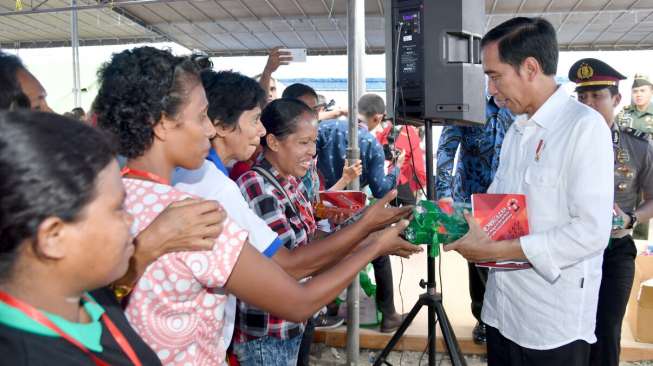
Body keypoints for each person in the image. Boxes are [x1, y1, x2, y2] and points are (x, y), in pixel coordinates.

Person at [95, 46, 421, 366]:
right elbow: (297, 300)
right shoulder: (194, 215)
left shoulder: (105, 198)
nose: (209, 130)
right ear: (162, 122)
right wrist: (374, 244)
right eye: (200, 117)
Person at [445, 17, 613, 366]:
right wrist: (453, 223)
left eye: (494, 76)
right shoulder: (517, 132)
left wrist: (493, 249)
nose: (491, 89)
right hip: (503, 310)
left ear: (530, 68)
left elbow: (591, 232)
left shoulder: (583, 128)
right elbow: (499, 209)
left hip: (549, 323)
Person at [0, 111, 162, 364]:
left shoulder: (91, 294)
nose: (130, 220)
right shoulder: (27, 356)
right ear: (53, 237)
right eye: (118, 208)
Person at [568, 58, 653, 366]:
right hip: (571, 253)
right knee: (570, 332)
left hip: (614, 251)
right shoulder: (562, 144)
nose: (588, 104)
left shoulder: (638, 146)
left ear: (616, 99)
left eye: (597, 96)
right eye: (582, 97)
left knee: (606, 332)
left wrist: (632, 218)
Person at [316, 93, 407, 333]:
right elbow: (381, 188)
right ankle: (389, 315)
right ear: (377, 117)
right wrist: (396, 169)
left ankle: (327, 307)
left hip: (321, 207)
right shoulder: (370, 143)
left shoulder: (325, 129)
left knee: (322, 255)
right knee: (379, 254)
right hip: (353, 212)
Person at [435, 95, 515, 344]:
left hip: (510, 200)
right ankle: (482, 318)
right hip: (472, 198)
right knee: (479, 260)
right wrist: (444, 195)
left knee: (510, 259)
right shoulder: (468, 105)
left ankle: (508, 317)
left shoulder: (520, 107)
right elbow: (446, 150)